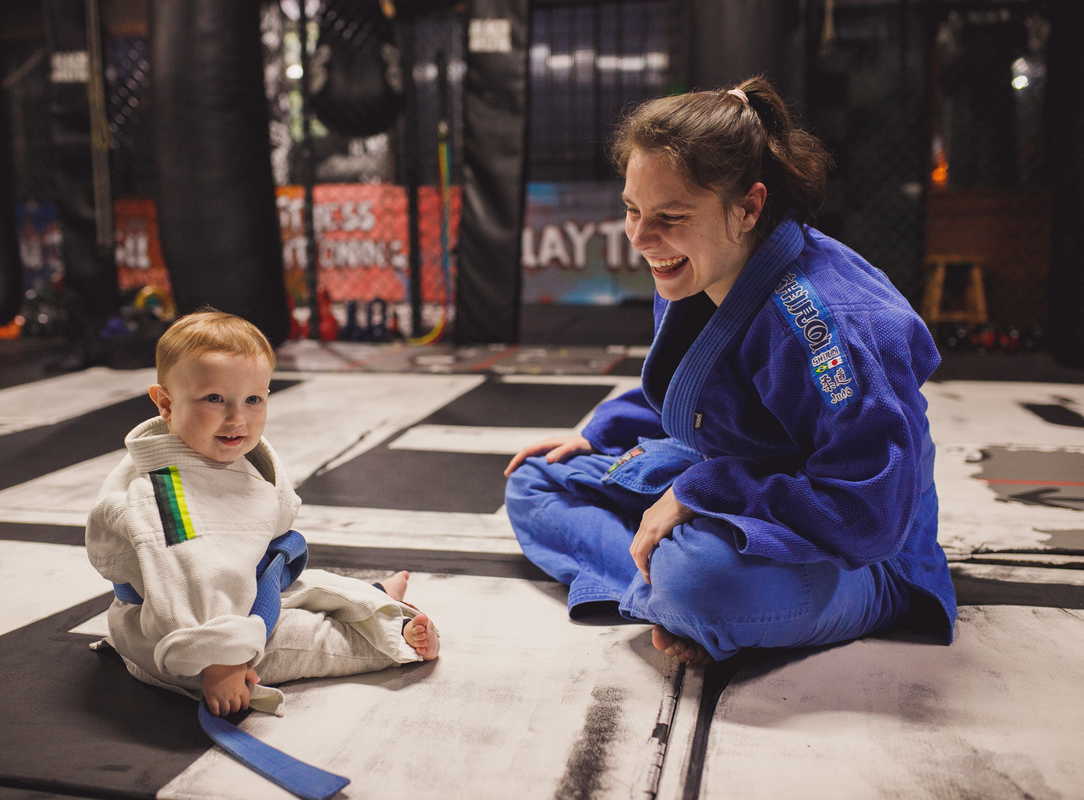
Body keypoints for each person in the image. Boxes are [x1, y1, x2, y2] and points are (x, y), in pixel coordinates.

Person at [504, 77, 956, 666]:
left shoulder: (830, 328)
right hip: (745, 479)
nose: (640, 238)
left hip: (856, 551)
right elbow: (692, 386)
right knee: (534, 479)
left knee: (703, 581)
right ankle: (668, 596)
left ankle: (682, 595)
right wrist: (599, 435)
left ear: (749, 207)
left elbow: (870, 514)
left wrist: (701, 492)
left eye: (669, 215)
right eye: (632, 209)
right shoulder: (701, 261)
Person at [87, 308, 439, 717]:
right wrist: (222, 663)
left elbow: (260, 538)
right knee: (300, 639)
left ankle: (371, 598)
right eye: (214, 399)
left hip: (237, 590)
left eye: (253, 399)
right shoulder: (167, 496)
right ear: (166, 404)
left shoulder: (235, 453)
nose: (238, 417)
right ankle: (388, 642)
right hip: (184, 633)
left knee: (314, 585)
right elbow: (189, 579)